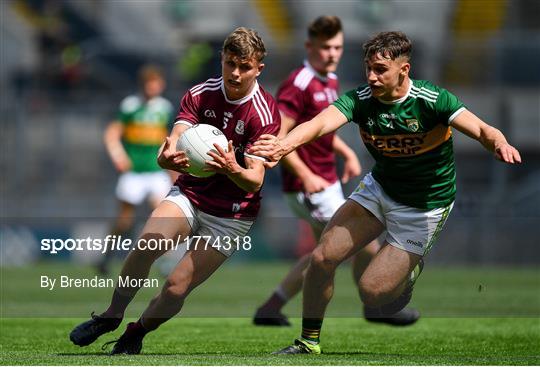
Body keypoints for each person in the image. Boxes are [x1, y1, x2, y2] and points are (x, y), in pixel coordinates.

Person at [249, 31, 521, 354]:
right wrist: (284, 144)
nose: (372, 77)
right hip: (379, 190)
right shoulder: (362, 99)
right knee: (322, 258)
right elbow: (321, 123)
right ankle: (308, 342)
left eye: (381, 70)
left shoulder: (431, 100)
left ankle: (410, 270)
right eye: (368, 68)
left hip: (425, 206)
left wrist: (499, 143)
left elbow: (482, 129)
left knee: (372, 294)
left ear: (404, 70)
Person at [69, 27, 280, 355]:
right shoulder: (200, 94)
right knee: (147, 243)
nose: (235, 73)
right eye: (229, 63)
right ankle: (111, 315)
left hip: (232, 214)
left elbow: (254, 180)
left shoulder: (264, 114)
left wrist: (231, 168)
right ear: (222, 60)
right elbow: (178, 134)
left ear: (258, 68)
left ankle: (135, 333)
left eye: (244, 66)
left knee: (176, 286)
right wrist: (166, 154)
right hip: (192, 194)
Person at [253, 16, 419, 327]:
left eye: (338, 47)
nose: (333, 54)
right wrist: (305, 175)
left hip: (327, 181)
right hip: (308, 185)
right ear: (310, 46)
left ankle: (271, 307)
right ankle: (376, 306)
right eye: (326, 47)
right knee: (357, 246)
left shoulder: (328, 80)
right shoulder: (300, 82)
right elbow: (280, 138)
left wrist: (344, 153)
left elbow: (321, 129)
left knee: (324, 253)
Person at [99, 65, 175, 276]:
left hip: (155, 170)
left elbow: (169, 137)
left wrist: (172, 168)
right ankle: (106, 257)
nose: (155, 87)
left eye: (158, 82)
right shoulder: (130, 105)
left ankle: (165, 262)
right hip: (133, 172)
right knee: (124, 221)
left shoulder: (164, 108)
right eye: (151, 82)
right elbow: (112, 133)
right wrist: (118, 155)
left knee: (162, 215)